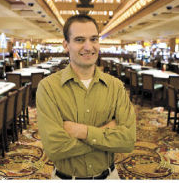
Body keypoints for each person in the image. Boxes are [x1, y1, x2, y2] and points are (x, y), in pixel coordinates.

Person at [36, 14, 136, 179]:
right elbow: (55, 148)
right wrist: (106, 134)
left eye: (94, 39)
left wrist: (80, 131)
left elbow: (127, 141)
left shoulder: (116, 86)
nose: (89, 47)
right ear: (66, 45)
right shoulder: (48, 87)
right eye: (80, 40)